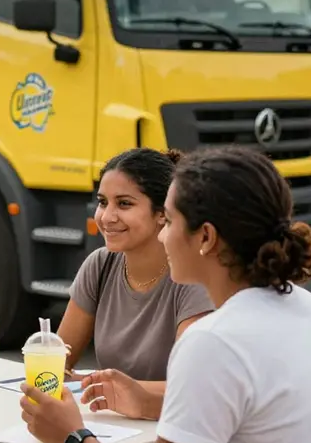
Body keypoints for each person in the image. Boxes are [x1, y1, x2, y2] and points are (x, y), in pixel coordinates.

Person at [19, 144, 311, 443]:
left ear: (206, 237)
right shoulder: (302, 308)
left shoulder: (212, 342)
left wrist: (74, 438)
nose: (162, 235)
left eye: (169, 221)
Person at [58, 148, 213, 398]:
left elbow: (192, 388)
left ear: (163, 213)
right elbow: (57, 364)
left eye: (124, 204)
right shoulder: (99, 265)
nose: (107, 217)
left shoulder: (191, 275)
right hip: (108, 418)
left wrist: (117, 391)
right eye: (102, 202)